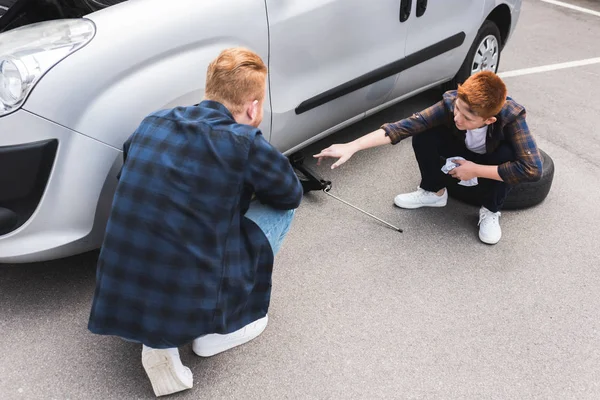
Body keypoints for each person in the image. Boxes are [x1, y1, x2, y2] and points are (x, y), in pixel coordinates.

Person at [88, 48, 303, 397]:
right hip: (190, 295)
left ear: (210, 90)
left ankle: (157, 336)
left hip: (121, 289)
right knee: (281, 208)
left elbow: (133, 173)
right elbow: (289, 193)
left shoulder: (152, 122)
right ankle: (216, 333)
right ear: (253, 107)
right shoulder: (244, 141)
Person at [314, 71, 542, 244]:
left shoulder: (511, 117)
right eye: (458, 109)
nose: (458, 118)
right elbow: (402, 127)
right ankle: (434, 192)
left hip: (490, 159)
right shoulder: (451, 103)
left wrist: (474, 170)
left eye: (467, 118)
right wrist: (352, 146)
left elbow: (532, 169)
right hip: (462, 149)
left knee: (510, 155)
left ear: (489, 120)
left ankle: (490, 211)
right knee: (424, 133)